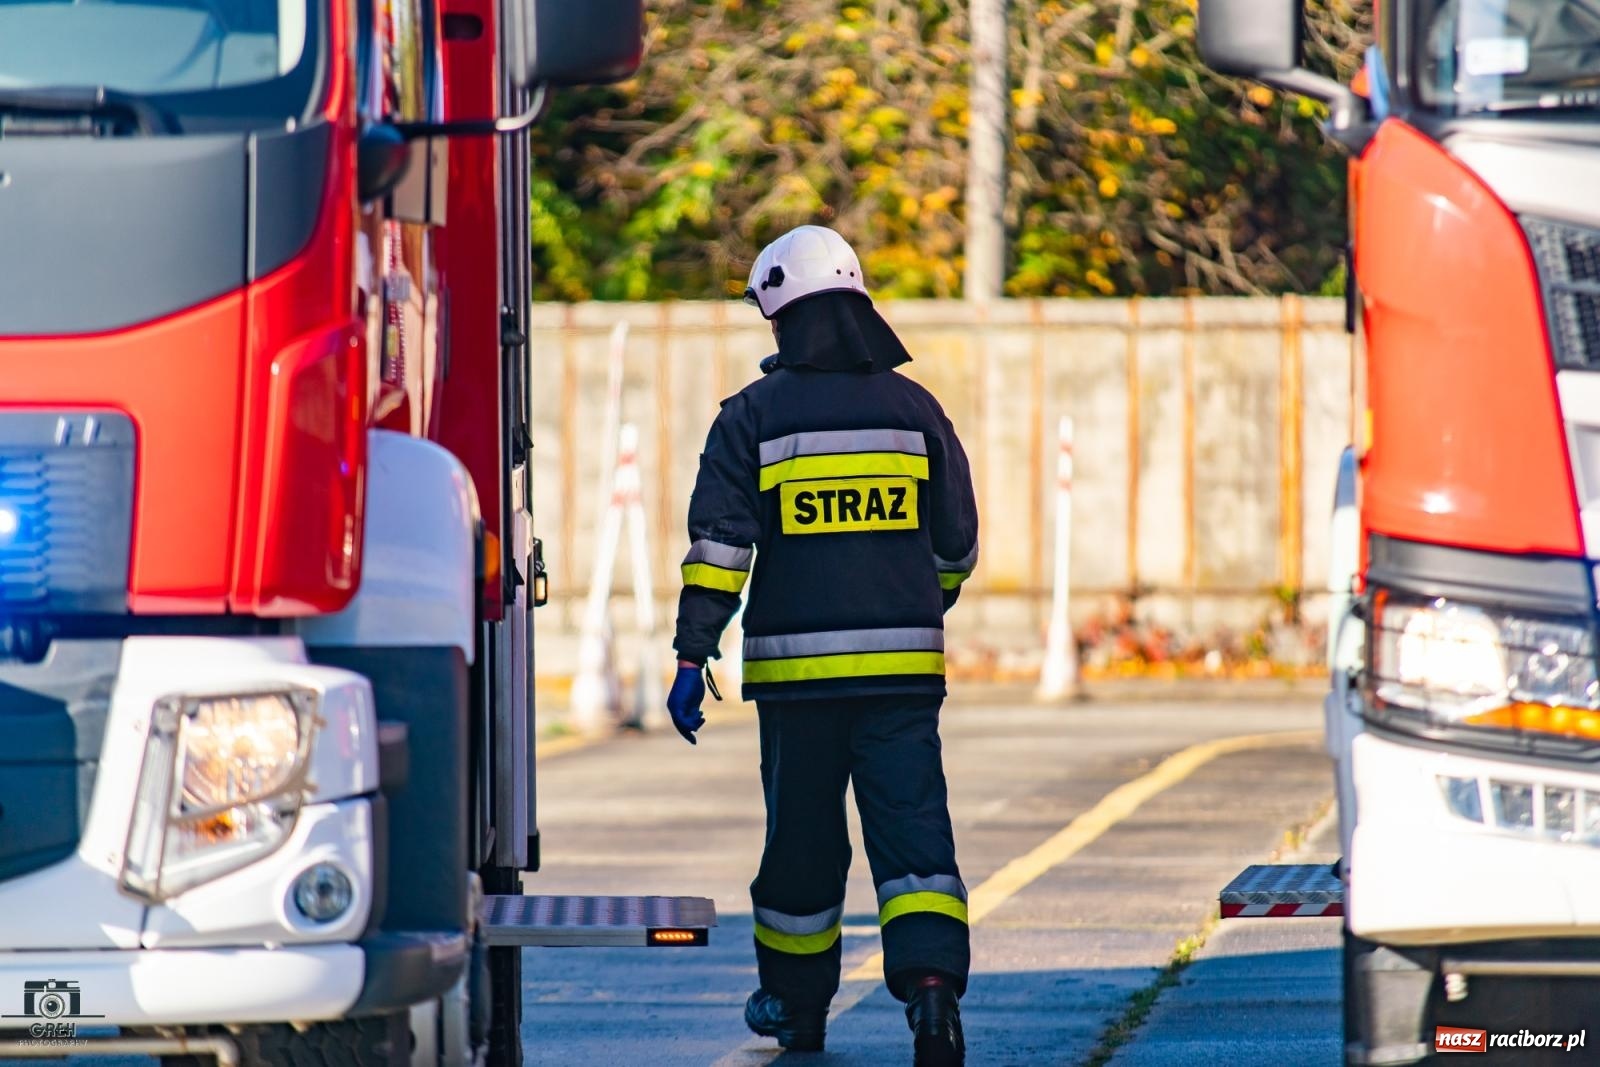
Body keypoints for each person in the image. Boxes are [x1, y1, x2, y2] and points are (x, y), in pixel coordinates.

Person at [665, 225, 979, 1066]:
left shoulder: (753, 418)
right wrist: (917, 602)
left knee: (802, 848)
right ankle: (934, 998)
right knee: (915, 840)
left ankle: (798, 1011)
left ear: (781, 315)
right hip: (904, 679)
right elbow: (958, 545)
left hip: (798, 686)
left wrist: (693, 654)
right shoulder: (916, 411)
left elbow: (722, 549)